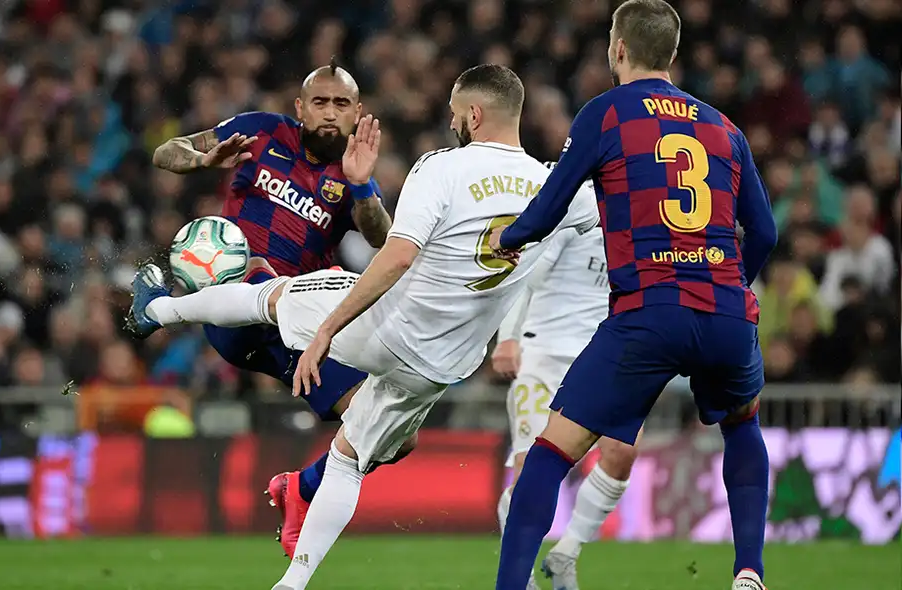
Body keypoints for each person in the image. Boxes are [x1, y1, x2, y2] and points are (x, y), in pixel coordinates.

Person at [128, 64, 600, 590]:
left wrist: (329, 327)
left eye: (454, 113)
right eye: (320, 102)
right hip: (441, 364)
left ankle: (158, 312)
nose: (450, 122)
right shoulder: (559, 191)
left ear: (472, 114)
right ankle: (293, 579)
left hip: (379, 326)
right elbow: (612, 213)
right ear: (300, 107)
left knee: (282, 307)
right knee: (348, 452)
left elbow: (394, 251)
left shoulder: (441, 167)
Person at [489, 1, 779, 589]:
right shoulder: (724, 127)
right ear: (672, 53)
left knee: (550, 454)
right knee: (742, 426)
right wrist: (727, 287)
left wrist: (507, 237)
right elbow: (766, 233)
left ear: (617, 48)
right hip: (725, 312)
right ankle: (749, 571)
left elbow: (547, 209)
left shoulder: (607, 113)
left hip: (649, 312)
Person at [143, 61, 395, 556]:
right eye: (319, 102)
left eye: (341, 104)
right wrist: (200, 160)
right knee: (257, 263)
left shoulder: (352, 172)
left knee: (387, 430)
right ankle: (158, 309)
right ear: (300, 107)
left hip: (298, 335)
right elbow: (164, 152)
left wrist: (363, 185)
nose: (329, 113)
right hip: (237, 309)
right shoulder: (261, 132)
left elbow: (382, 238)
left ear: (357, 112)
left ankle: (300, 488)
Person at [492, 197, 638, 590]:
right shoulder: (580, 202)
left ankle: (566, 553)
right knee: (530, 469)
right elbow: (526, 271)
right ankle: (521, 576)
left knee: (622, 452)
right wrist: (508, 338)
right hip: (543, 353)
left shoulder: (647, 207)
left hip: (601, 357)